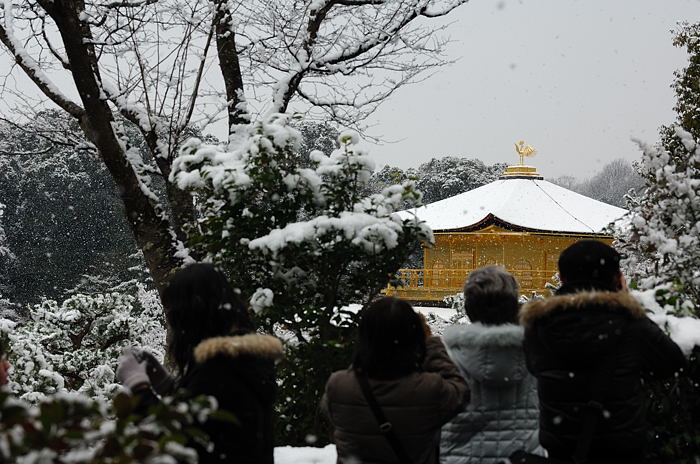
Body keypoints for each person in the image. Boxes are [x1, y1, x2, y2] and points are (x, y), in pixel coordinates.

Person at [519, 240, 686, 463]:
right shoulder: (630, 324)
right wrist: (628, 302)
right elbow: (672, 363)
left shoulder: (539, 326)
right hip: (620, 449)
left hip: (562, 449)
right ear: (616, 278)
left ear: (562, 277)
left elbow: (534, 366)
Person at [116, 263, 283, 464]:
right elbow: (212, 423)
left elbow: (181, 447)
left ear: (190, 315)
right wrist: (168, 387)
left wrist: (139, 388)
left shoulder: (219, 368)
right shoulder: (245, 357)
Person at [321, 296, 469, 464]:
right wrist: (430, 343)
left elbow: (331, 412)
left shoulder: (338, 385)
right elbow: (461, 392)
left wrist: (365, 354)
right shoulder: (429, 389)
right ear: (414, 339)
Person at [440, 266, 540, 463]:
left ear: (468, 307)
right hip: (522, 457)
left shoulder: (448, 360)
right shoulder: (536, 356)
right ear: (514, 306)